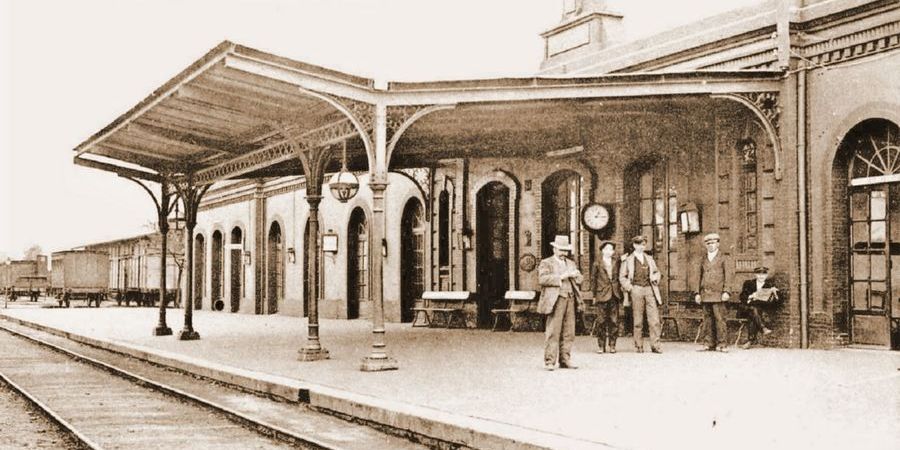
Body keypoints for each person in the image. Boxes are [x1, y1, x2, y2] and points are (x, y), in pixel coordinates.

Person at [537, 235, 584, 370]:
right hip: (555, 300)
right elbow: (542, 279)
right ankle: (550, 361)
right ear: (554, 249)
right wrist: (562, 276)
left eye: (566, 250)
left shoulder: (571, 263)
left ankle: (565, 359)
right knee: (553, 331)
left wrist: (577, 276)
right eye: (561, 250)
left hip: (570, 299)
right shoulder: (546, 263)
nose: (564, 253)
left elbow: (580, 280)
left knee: (569, 331)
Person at [619, 235, 663, 353]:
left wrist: (655, 277)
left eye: (643, 244)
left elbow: (657, 272)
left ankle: (655, 345)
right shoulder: (628, 260)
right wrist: (630, 288)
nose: (641, 247)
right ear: (634, 245)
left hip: (649, 289)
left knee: (654, 319)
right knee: (638, 319)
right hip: (636, 289)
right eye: (638, 244)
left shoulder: (649, 258)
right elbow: (622, 277)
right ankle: (639, 345)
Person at [694, 233, 733, 352]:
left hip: (719, 294)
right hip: (705, 294)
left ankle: (722, 344)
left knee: (720, 319)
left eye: (713, 243)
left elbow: (729, 276)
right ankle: (708, 343)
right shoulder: (702, 259)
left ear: (718, 244)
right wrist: (697, 293)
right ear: (705, 245)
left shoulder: (724, 258)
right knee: (707, 319)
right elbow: (697, 277)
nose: (711, 245)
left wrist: (726, 291)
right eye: (708, 243)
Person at [590, 240, 622, 354]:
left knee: (614, 321)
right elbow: (593, 280)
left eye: (611, 249)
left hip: (614, 294)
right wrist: (594, 295)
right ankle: (601, 346)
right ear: (602, 250)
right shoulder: (597, 263)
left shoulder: (616, 262)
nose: (609, 251)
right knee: (601, 321)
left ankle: (612, 345)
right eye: (607, 249)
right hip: (601, 294)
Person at [738, 266, 776, 349]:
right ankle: (762, 328)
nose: (761, 276)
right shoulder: (748, 283)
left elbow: (774, 301)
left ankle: (750, 340)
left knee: (754, 314)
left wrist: (774, 293)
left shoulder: (769, 285)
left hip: (759, 311)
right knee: (753, 309)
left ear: (766, 276)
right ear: (755, 275)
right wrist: (751, 296)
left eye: (764, 274)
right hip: (746, 309)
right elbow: (742, 297)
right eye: (759, 274)